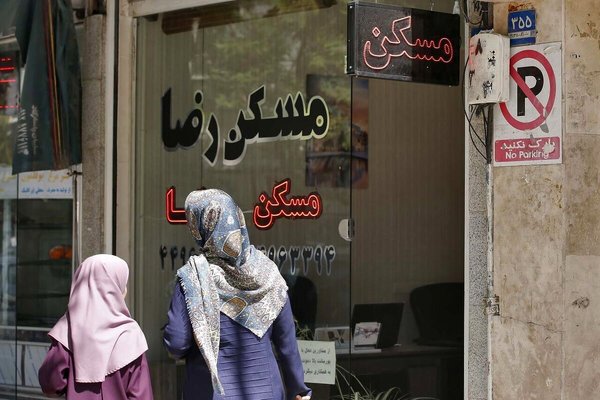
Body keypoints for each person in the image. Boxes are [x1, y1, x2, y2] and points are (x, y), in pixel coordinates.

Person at [163, 189, 311, 400]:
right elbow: (287, 344)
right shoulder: (267, 273)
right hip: (266, 392)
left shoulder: (193, 277)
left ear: (199, 226)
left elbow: (177, 344)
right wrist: (299, 389)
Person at [38, 254, 153, 399]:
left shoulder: (67, 330)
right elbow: (142, 395)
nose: (125, 288)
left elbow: (51, 384)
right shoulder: (130, 335)